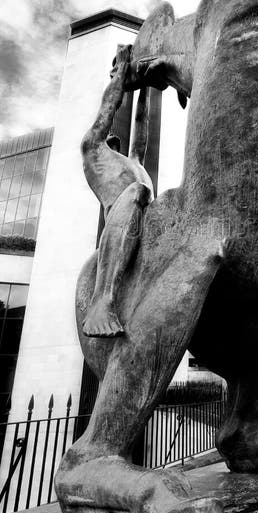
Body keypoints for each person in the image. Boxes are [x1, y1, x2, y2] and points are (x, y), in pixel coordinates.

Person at [81, 44, 154, 337]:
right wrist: (120, 75)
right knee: (137, 191)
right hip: (120, 228)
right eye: (107, 130)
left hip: (148, 225)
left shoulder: (133, 161)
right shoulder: (92, 150)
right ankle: (103, 299)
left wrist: (146, 87)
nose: (110, 131)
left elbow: (141, 127)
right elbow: (108, 109)